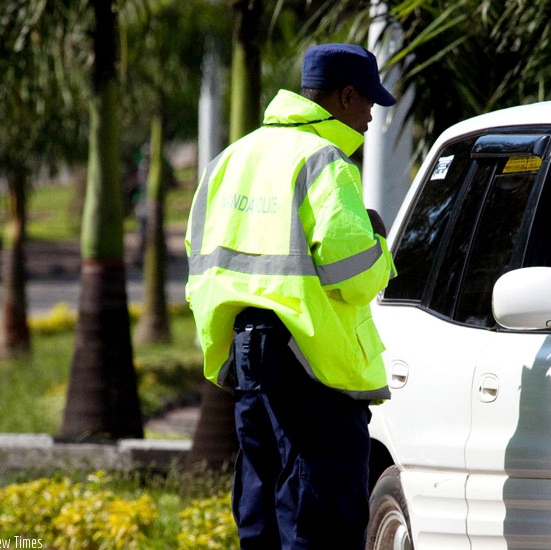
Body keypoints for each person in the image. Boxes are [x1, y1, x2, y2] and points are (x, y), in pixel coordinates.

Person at [185, 43, 397, 549]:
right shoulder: (325, 163)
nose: (370, 117)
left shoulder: (230, 160)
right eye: (368, 102)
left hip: (250, 372)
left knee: (261, 521)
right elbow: (355, 274)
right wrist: (381, 245)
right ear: (346, 97)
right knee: (318, 525)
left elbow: (200, 262)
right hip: (314, 375)